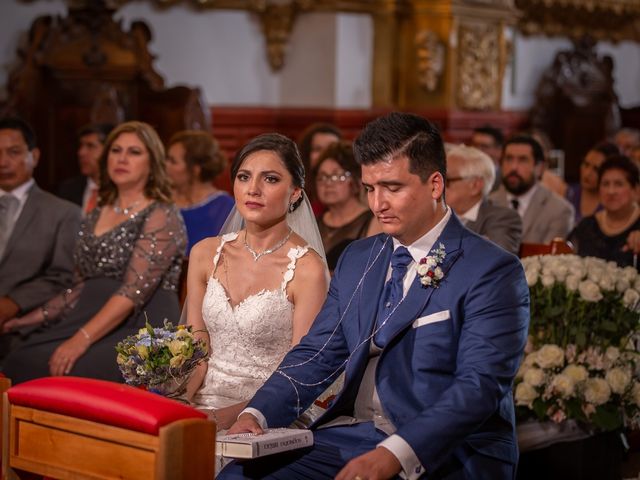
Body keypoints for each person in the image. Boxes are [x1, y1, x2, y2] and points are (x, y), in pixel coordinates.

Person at [221, 112, 530, 480]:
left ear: (434, 185)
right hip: (355, 434)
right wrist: (256, 414)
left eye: (392, 187)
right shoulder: (359, 258)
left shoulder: (492, 270)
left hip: (448, 451)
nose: (377, 203)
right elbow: (317, 353)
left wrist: (396, 454)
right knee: (239, 476)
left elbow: (479, 385)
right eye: (369, 188)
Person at [2, 121, 187, 384]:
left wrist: (81, 339)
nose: (122, 159)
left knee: (64, 368)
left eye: (134, 152)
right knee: (19, 357)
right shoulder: (97, 213)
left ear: (152, 162)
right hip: (90, 313)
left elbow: (133, 291)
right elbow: (79, 287)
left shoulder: (162, 213)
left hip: (142, 324)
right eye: (115, 150)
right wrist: (27, 319)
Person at [184, 133, 329, 431]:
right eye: (244, 176)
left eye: (271, 179)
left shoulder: (307, 269)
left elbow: (299, 372)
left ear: (295, 193)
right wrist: (180, 402)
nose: (253, 189)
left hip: (269, 412)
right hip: (202, 402)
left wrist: (225, 419)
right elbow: (197, 349)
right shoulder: (204, 253)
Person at [0, 117, 80, 364]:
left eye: (13, 152)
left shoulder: (63, 212)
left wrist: (13, 303)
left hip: (22, 326)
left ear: (34, 156)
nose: (3, 162)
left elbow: (62, 275)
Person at [490, 134, 574, 244]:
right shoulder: (487, 203)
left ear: (539, 168)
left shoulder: (559, 210)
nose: (513, 167)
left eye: (522, 160)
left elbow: (549, 259)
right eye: (509, 159)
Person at [314, 141, 381, 271]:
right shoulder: (313, 222)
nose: (328, 183)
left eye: (337, 176)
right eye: (323, 177)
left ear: (356, 179)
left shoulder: (373, 222)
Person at [165, 130, 234, 255]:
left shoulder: (225, 207)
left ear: (195, 170)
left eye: (172, 161)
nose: (165, 166)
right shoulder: (161, 199)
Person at [446, 144, 522, 255]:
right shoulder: (436, 215)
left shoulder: (502, 219)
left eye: (447, 180)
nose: (438, 186)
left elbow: (497, 262)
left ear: (475, 186)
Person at [569, 155, 640, 268]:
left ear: (635, 190)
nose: (611, 191)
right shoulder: (586, 226)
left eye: (618, 184)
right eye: (605, 184)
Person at [57, 123, 114, 214]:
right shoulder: (68, 189)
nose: (81, 153)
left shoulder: (120, 190)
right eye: (81, 146)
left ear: (109, 151)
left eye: (90, 146)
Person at [565, 141, 620, 223]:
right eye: (586, 164)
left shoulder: (613, 203)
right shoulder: (568, 192)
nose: (588, 173)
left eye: (596, 169)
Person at [297, 122, 343, 215]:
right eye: (318, 149)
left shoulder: (348, 188)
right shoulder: (295, 189)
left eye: (331, 148)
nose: (325, 154)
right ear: (306, 154)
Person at [470, 125, 504, 191]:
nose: (478, 150)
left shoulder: (504, 179)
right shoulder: (462, 176)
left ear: (499, 151)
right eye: (474, 145)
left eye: (484, 146)